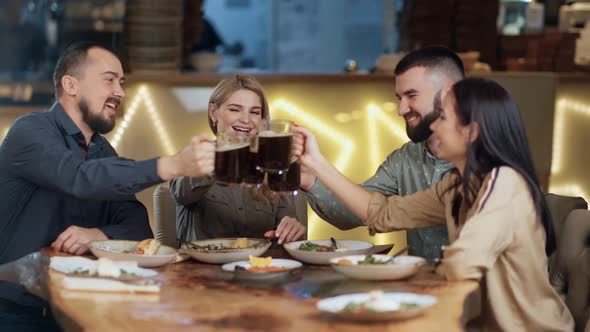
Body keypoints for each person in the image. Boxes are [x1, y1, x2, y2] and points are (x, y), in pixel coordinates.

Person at [293, 77, 573, 331]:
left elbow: (463, 263)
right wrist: (317, 164)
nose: (433, 125)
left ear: (471, 131)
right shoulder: (457, 186)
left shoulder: (504, 181)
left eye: (442, 117)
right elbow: (382, 214)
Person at [0, 41, 216, 264]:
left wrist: (99, 235)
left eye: (121, 83)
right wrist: (173, 165)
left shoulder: (102, 150)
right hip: (18, 291)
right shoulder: (29, 131)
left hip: (75, 290)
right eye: (109, 80)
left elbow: (138, 227)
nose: (120, 92)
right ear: (71, 85)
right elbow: (80, 177)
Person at [300, 46, 463, 261]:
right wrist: (311, 178)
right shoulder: (405, 158)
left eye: (412, 95)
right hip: (422, 289)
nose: (401, 109)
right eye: (399, 98)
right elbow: (370, 213)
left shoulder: (485, 171)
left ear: (450, 93)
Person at [170, 75, 306, 244]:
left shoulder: (272, 165)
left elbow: (287, 231)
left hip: (257, 266)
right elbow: (182, 193)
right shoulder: (194, 156)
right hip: (202, 267)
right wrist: (225, 155)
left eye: (255, 112)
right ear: (214, 113)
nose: (246, 120)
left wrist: (292, 229)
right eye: (235, 109)